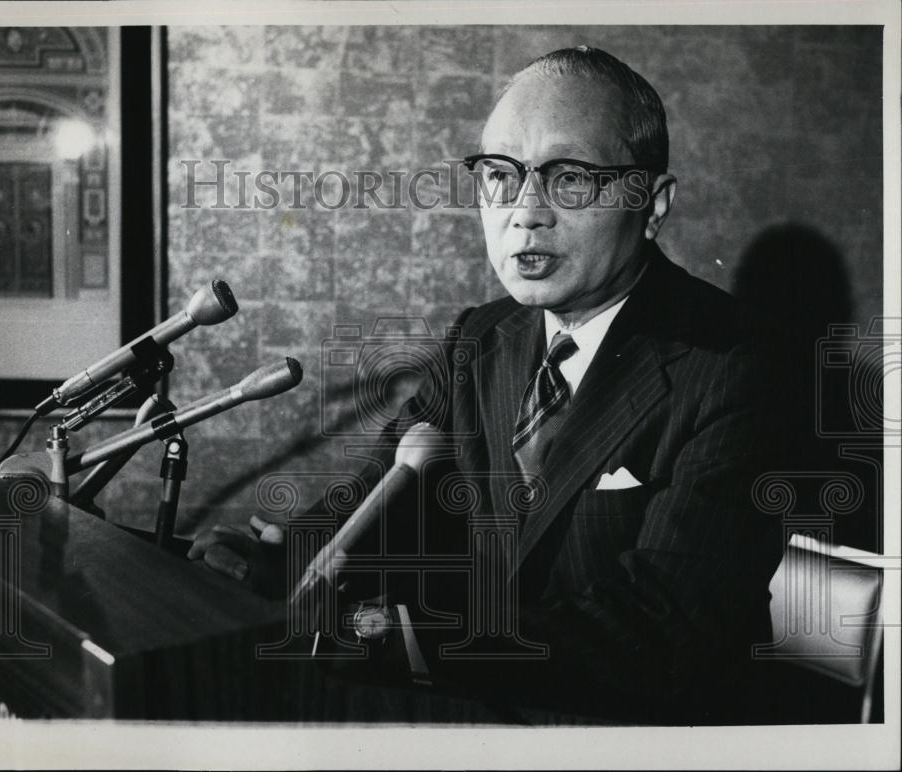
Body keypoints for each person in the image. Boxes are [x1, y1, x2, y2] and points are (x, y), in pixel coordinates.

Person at [188, 46, 791, 723]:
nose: (526, 213)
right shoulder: (482, 336)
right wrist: (282, 562)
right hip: (481, 716)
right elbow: (385, 500)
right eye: (500, 176)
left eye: (569, 180)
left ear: (651, 205)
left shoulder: (736, 364)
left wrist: (408, 635)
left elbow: (665, 633)